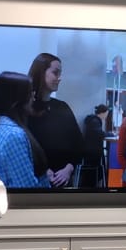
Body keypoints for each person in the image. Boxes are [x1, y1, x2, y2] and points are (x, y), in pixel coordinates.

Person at [27, 52, 85, 188]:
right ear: (41, 72)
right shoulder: (27, 108)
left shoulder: (62, 107)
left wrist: (69, 168)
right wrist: (43, 170)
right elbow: (25, 148)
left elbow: (79, 143)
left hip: (64, 181)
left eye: (60, 73)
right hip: (36, 182)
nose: (59, 78)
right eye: (55, 73)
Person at [0, 71, 47, 189]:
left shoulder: (2, 127)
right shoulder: (13, 136)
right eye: (30, 92)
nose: (33, 97)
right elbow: (27, 189)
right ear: (17, 99)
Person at [80, 103, 110, 188]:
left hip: (89, 151)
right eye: (106, 114)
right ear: (103, 113)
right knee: (97, 169)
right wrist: (109, 134)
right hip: (93, 152)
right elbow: (99, 134)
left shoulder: (93, 120)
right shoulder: (95, 121)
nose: (106, 116)